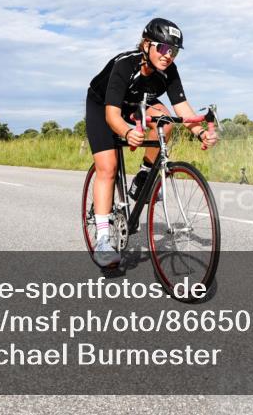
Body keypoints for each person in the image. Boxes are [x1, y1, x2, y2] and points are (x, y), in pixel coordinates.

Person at [85, 18, 218, 267]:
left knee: (166, 120)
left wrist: (200, 133)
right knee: (108, 167)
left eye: (174, 51)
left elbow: (182, 109)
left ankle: (143, 177)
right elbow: (112, 116)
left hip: (136, 103)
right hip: (103, 106)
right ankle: (103, 240)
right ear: (146, 44)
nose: (169, 55)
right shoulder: (126, 65)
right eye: (164, 48)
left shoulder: (169, 70)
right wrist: (127, 132)